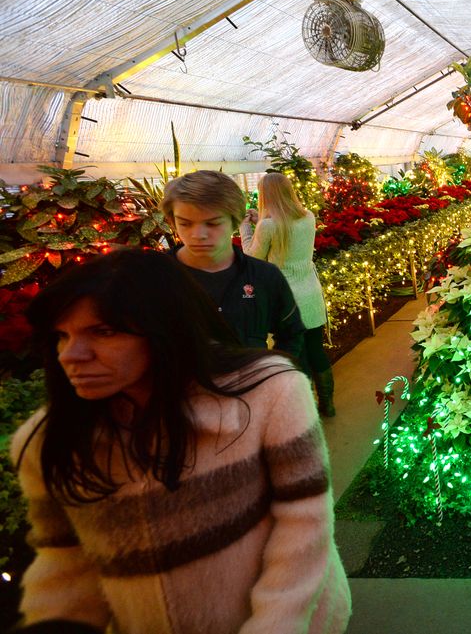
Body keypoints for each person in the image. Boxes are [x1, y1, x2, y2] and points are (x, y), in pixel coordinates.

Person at [10, 249, 351, 634]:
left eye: (102, 332)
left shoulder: (269, 394)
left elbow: (304, 522)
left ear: (166, 329)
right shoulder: (50, 442)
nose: (71, 355)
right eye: (61, 335)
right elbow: (64, 563)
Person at [162, 170, 304, 362]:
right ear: (172, 221)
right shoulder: (156, 277)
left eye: (212, 223)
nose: (198, 235)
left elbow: (291, 333)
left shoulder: (264, 276)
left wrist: (270, 377)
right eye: (185, 223)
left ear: (234, 220)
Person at [241, 172, 334, 416]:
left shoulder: (268, 226)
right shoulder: (308, 217)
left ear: (265, 195)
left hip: (286, 301)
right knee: (316, 349)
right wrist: (259, 219)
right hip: (311, 293)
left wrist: (245, 228)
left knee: (296, 356)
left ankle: (307, 412)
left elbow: (252, 257)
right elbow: (287, 230)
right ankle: (328, 404)